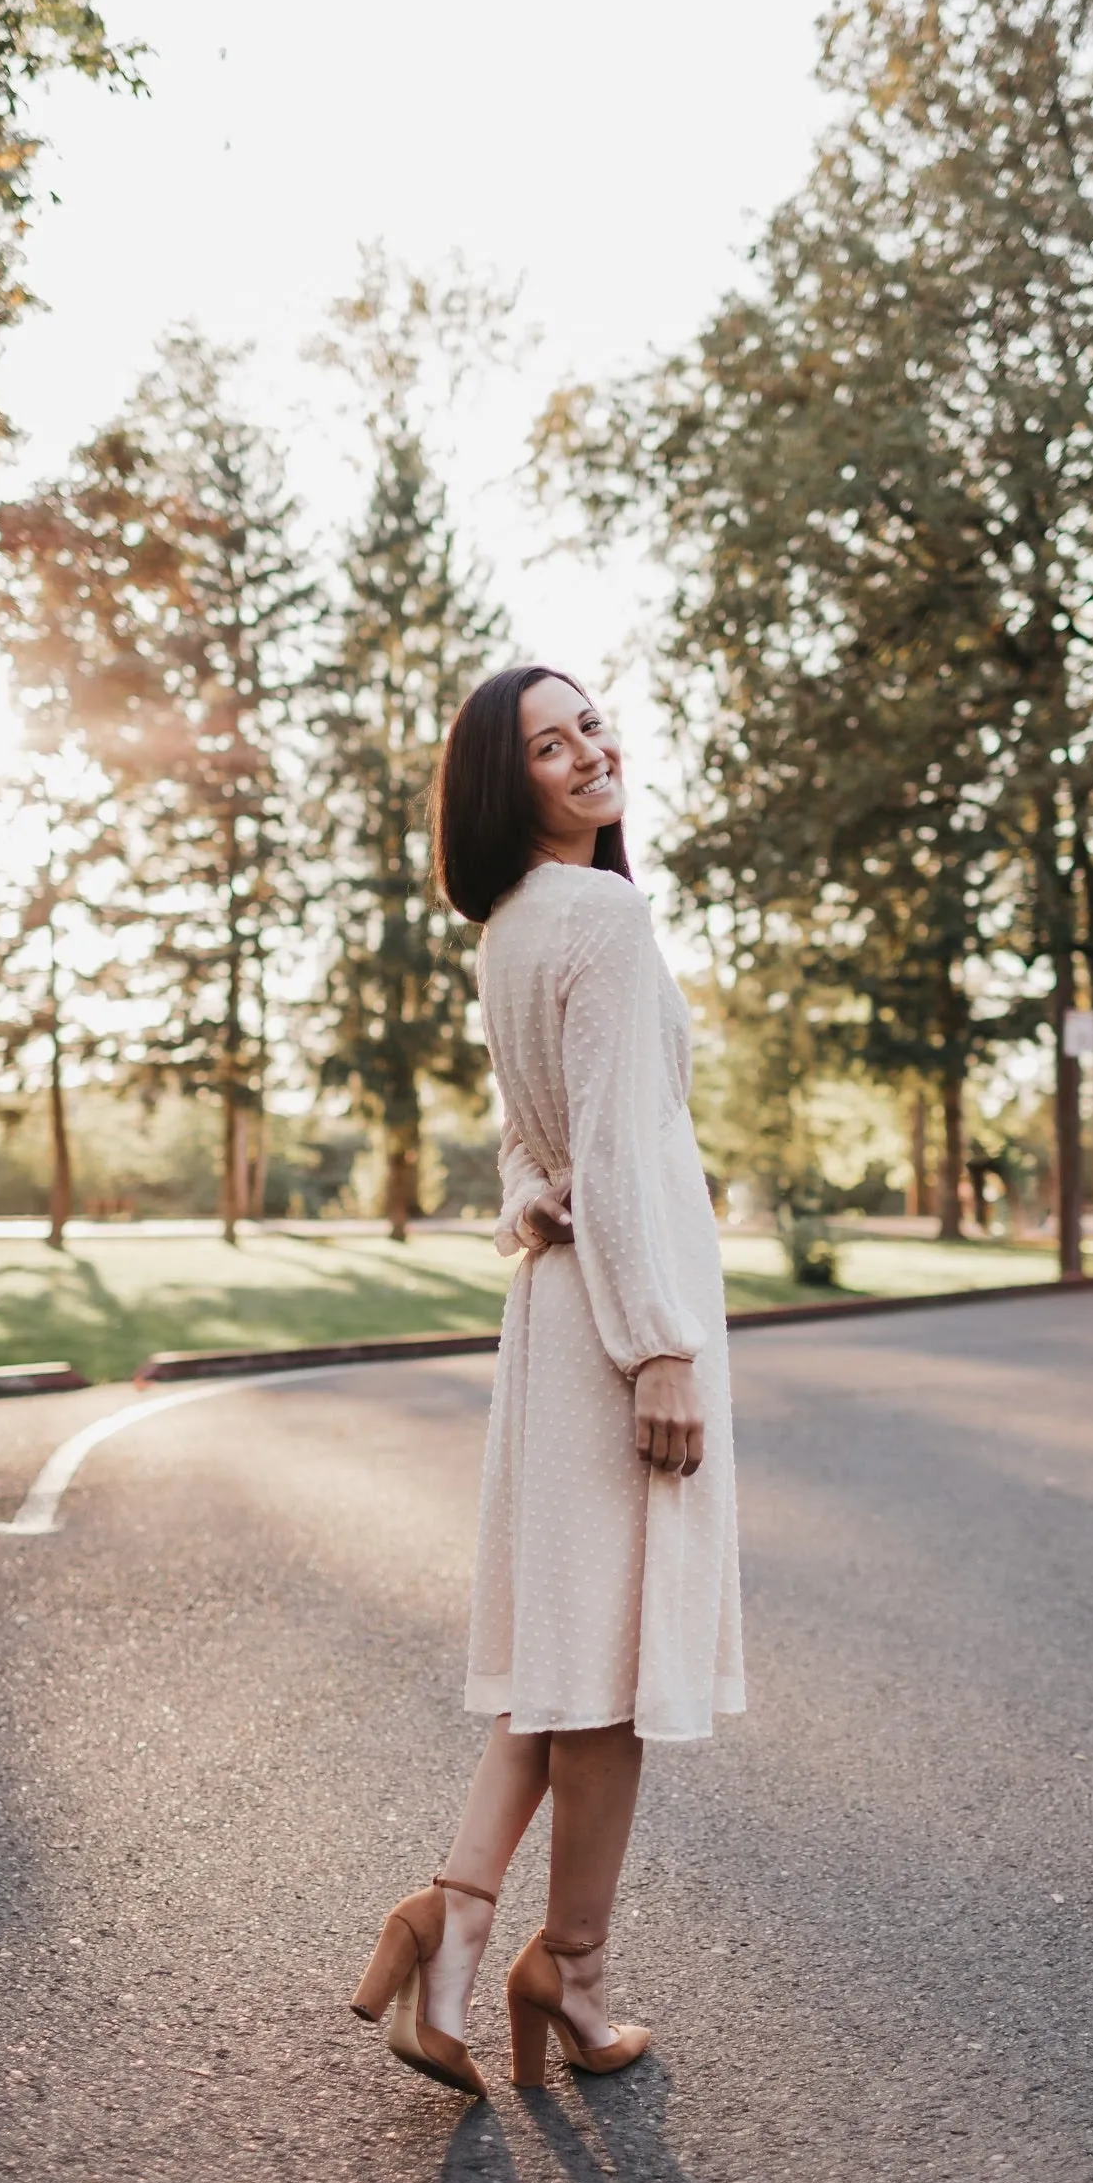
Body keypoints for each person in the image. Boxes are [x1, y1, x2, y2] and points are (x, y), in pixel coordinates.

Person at [350, 664, 744, 2097]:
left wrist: (529, 1208)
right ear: (505, 783)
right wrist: (661, 1350)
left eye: (593, 726)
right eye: (550, 743)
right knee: (617, 1678)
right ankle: (568, 1974)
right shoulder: (603, 917)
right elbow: (625, 1151)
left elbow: (539, 1147)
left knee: (574, 1662)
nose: (589, 752)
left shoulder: (517, 928)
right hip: (615, 1330)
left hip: (554, 1313)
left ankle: (457, 1921)